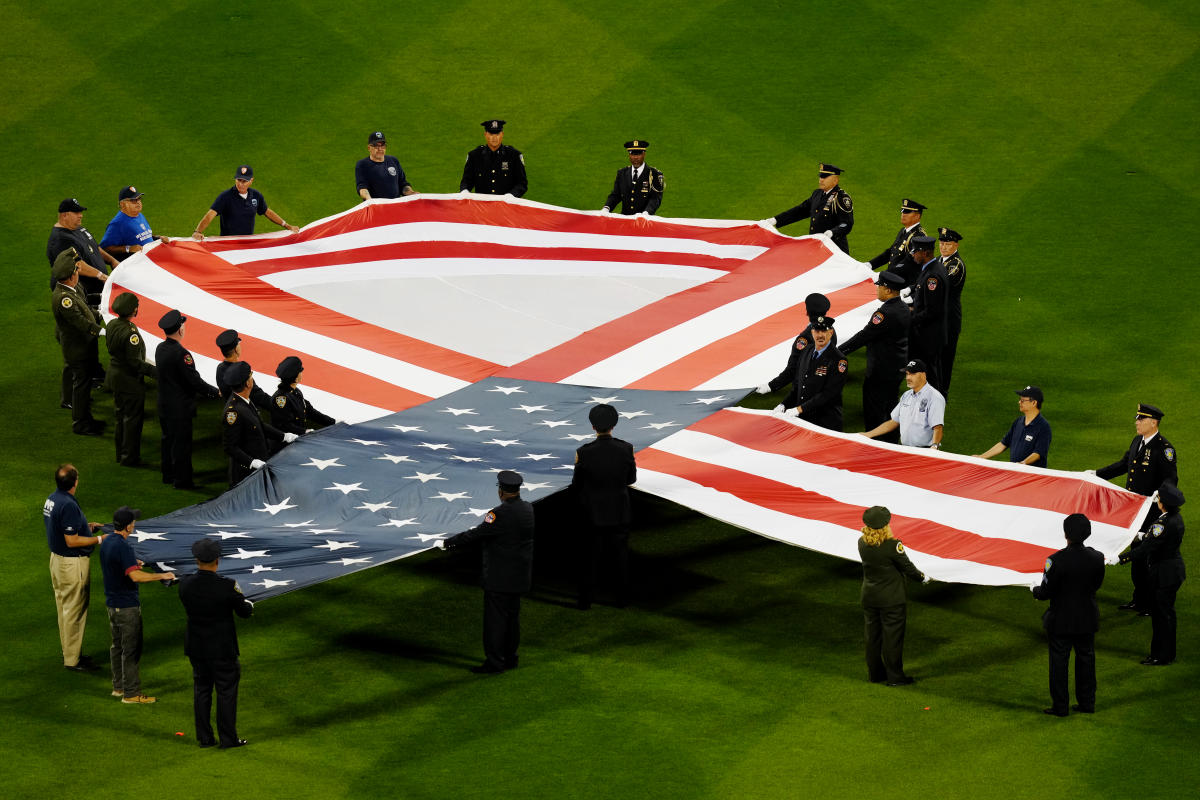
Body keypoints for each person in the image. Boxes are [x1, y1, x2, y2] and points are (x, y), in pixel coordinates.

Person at [435, 471, 535, 674]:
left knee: (495, 623)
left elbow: (476, 534)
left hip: (499, 579)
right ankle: (510, 658)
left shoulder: (497, 514)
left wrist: (448, 543)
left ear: (501, 491)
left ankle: (495, 663)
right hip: (520, 576)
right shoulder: (528, 509)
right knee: (512, 620)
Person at [1095, 403, 1178, 612]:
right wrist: (1096, 474)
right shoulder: (1137, 442)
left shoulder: (1164, 449)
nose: (1137, 422)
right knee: (1137, 558)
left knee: (1148, 557)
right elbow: (1124, 465)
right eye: (1137, 418)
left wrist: (1158, 496)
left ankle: (1150, 602)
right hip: (1134, 512)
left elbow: (1171, 480)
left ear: (1154, 422)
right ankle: (1139, 599)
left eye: (1141, 419)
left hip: (1150, 513)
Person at [179, 538, 255, 749]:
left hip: (196, 647)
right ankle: (228, 739)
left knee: (202, 690)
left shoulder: (185, 584)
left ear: (197, 560)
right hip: (222, 649)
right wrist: (248, 603)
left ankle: (205, 738)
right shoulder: (227, 586)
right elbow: (245, 612)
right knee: (226, 692)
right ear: (217, 561)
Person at [100, 506, 176, 704]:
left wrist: (132, 562)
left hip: (112, 604)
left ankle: (118, 687)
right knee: (131, 649)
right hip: (126, 607)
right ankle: (131, 694)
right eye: (133, 521)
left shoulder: (108, 541)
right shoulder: (123, 546)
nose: (134, 523)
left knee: (117, 647)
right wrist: (162, 575)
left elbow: (118, 565)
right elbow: (135, 577)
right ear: (128, 527)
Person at [1031, 513, 1105, 715]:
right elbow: (1096, 584)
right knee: (1087, 660)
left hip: (1061, 619)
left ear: (1065, 534)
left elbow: (1046, 592)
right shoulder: (1097, 558)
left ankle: (1061, 706)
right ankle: (1087, 703)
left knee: (1059, 663)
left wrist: (1034, 590)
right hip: (1087, 617)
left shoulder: (1055, 561)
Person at [570, 404, 638, 610]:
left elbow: (577, 485)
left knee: (589, 560)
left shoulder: (583, 453)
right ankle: (622, 600)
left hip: (592, 515)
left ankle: (585, 601)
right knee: (620, 558)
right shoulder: (626, 449)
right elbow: (631, 479)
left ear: (593, 427)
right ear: (614, 425)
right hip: (619, 513)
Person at [44, 463, 108, 673]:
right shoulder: (68, 504)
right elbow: (71, 541)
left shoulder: (52, 499)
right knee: (74, 610)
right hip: (71, 563)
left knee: (64, 609)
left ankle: (70, 652)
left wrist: (85, 528)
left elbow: (61, 527)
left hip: (57, 560)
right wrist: (98, 539)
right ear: (75, 482)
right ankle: (72, 660)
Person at [858, 505, 926, 686]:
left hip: (870, 597)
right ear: (885, 525)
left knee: (872, 638)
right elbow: (908, 568)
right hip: (892, 600)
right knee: (892, 639)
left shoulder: (861, 543)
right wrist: (923, 578)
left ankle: (876, 675)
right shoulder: (893, 546)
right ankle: (895, 677)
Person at [839, 272, 909, 440]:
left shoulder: (884, 314)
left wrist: (838, 352)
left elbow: (864, 336)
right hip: (897, 366)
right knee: (892, 406)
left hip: (880, 370)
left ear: (888, 290)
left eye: (880, 286)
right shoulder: (904, 308)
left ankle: (874, 443)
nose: (877, 289)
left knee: (874, 409)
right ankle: (891, 441)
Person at [155, 309, 220, 489]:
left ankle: (168, 474)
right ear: (180, 330)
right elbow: (194, 381)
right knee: (181, 445)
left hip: (164, 404)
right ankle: (182, 480)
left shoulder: (160, 349)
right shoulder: (182, 354)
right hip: (180, 408)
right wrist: (214, 392)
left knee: (167, 440)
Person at [51, 250, 106, 436]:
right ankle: (81, 424)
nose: (78, 273)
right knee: (81, 385)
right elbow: (81, 322)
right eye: (76, 271)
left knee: (83, 384)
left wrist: (101, 309)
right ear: (70, 276)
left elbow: (85, 306)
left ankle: (86, 419)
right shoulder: (64, 299)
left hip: (83, 345)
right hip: (77, 348)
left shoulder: (73, 288)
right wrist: (103, 331)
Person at [762, 315, 848, 431]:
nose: (820, 335)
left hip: (825, 424)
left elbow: (828, 393)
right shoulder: (806, 351)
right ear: (812, 332)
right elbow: (798, 385)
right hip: (804, 420)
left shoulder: (839, 360)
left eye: (824, 331)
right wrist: (784, 404)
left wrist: (799, 409)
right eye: (817, 331)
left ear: (831, 332)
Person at [222, 362, 294, 487]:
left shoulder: (245, 401)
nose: (252, 378)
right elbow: (230, 447)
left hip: (257, 467)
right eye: (251, 376)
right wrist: (251, 462)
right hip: (244, 475)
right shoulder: (233, 412)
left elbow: (259, 425)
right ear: (248, 383)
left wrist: (284, 436)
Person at [105, 292, 156, 466]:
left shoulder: (112, 324)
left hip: (115, 376)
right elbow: (135, 362)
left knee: (120, 417)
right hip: (129, 382)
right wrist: (156, 372)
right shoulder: (130, 333)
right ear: (133, 310)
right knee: (132, 420)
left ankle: (121, 453)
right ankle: (130, 457)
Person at [1137, 484, 1185, 666]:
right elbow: (1156, 539)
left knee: (1160, 616)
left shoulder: (1162, 523)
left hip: (1163, 575)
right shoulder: (1174, 519)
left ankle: (1160, 656)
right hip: (1173, 571)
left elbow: (1145, 550)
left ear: (1162, 504)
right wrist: (1141, 536)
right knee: (1167, 615)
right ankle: (1167, 653)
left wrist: (1120, 558)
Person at [762, 163, 854, 253]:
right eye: (820, 176)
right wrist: (775, 220)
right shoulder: (817, 194)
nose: (821, 180)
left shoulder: (841, 198)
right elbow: (800, 210)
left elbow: (847, 223)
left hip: (835, 251)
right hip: (817, 249)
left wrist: (832, 232)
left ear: (835, 180)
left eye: (825, 177)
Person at [192, 165, 300, 240]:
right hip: (227, 244)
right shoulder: (225, 197)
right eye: (239, 180)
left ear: (251, 181)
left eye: (244, 181)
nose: (241, 184)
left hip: (247, 244)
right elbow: (210, 215)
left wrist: (288, 226)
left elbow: (267, 212)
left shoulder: (256, 196)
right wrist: (198, 232)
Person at [861, 359, 945, 448]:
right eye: (907, 374)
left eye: (912, 374)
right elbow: (894, 422)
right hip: (905, 448)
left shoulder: (934, 397)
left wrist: (934, 446)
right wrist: (869, 434)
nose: (908, 378)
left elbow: (938, 427)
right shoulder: (906, 395)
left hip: (924, 450)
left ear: (923, 375)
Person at [46, 197, 117, 300]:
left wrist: (112, 260)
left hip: (99, 288)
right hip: (83, 294)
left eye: (80, 212)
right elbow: (76, 264)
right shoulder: (60, 239)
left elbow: (94, 247)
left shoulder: (78, 228)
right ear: (64, 215)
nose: (80, 215)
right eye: (76, 213)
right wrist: (101, 276)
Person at [907, 235, 949, 392]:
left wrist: (910, 319)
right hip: (931, 333)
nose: (912, 255)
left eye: (915, 252)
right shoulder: (933, 268)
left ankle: (934, 409)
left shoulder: (932, 276)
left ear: (925, 253)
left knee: (930, 375)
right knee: (931, 372)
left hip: (929, 335)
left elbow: (932, 310)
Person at [974, 385, 1051, 467]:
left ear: (1034, 403)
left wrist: (1023, 463)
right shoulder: (1018, 422)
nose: (1019, 402)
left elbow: (1038, 453)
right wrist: (981, 457)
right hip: (1016, 473)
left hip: (1032, 476)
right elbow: (1003, 444)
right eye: (1019, 400)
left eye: (1022, 400)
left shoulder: (1043, 427)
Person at [935, 228, 966, 397]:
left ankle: (942, 393)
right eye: (941, 243)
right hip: (941, 317)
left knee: (945, 358)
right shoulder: (940, 260)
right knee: (937, 355)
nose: (943, 247)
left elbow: (939, 286)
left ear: (956, 245)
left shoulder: (956, 265)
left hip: (949, 319)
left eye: (947, 244)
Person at [459, 120, 527, 197]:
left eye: (497, 134)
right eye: (491, 134)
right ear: (485, 134)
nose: (494, 137)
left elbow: (522, 183)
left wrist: (511, 196)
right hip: (482, 207)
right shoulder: (474, 156)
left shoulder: (514, 155)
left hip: (506, 206)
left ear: (502, 134)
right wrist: (465, 192)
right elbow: (466, 181)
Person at [100, 186, 167, 261]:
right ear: (122, 204)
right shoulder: (117, 224)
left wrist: (157, 238)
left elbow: (141, 236)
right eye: (133, 200)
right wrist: (128, 248)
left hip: (148, 261)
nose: (138, 202)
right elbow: (104, 249)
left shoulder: (139, 215)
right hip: (135, 267)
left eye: (139, 199)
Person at [270, 356, 334, 435]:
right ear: (296, 378)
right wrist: (304, 431)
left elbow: (310, 411)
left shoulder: (296, 392)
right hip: (286, 444)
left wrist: (333, 422)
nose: (301, 373)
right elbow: (284, 425)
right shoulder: (281, 399)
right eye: (300, 372)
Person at [601, 140, 664, 216]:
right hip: (626, 220)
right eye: (633, 154)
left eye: (639, 154)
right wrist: (606, 208)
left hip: (644, 221)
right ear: (629, 155)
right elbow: (616, 195)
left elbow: (655, 198)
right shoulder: (622, 173)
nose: (635, 157)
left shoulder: (654, 174)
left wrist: (646, 213)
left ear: (644, 154)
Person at [214, 329, 273, 408]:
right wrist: (277, 405)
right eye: (238, 344)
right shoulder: (240, 371)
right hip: (245, 412)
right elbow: (258, 396)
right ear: (236, 349)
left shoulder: (220, 368)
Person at [868, 199, 927, 272]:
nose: (903, 214)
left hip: (906, 281)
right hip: (894, 278)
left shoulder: (919, 236)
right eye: (902, 211)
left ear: (917, 216)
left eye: (907, 212)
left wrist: (887, 274)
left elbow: (908, 263)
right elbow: (891, 252)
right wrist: (870, 264)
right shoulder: (903, 231)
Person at [356, 131, 417, 200]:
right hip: (377, 208)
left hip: (395, 207)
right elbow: (362, 188)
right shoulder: (363, 165)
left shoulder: (393, 161)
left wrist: (411, 193)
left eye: (383, 145)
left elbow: (402, 184)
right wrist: (370, 200)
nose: (380, 149)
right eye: (376, 146)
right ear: (369, 148)